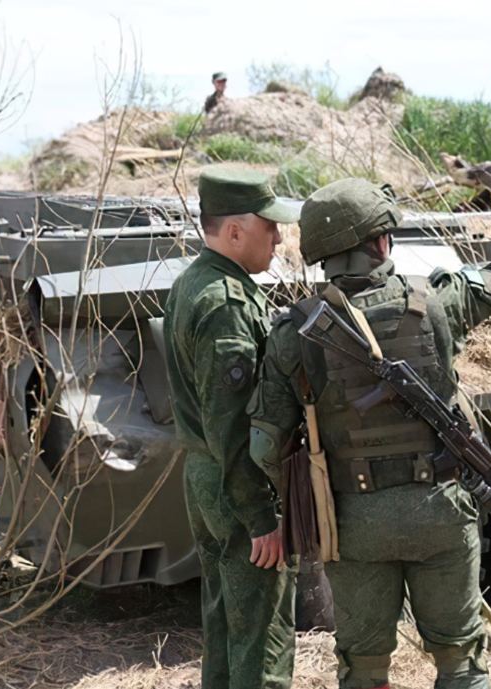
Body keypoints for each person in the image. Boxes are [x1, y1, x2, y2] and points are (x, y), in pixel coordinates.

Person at [247, 178, 491, 689]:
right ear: (381, 242)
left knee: (363, 668)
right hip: (441, 511)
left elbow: (266, 446)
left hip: (351, 523)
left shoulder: (293, 332)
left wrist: (304, 499)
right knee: (460, 661)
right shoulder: (436, 299)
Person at [163, 165, 300, 689]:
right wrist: (261, 516)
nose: (279, 238)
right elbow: (232, 425)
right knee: (261, 639)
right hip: (236, 483)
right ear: (236, 232)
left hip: (208, 476)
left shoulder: (192, 283)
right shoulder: (226, 303)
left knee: (225, 625)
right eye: (270, 227)